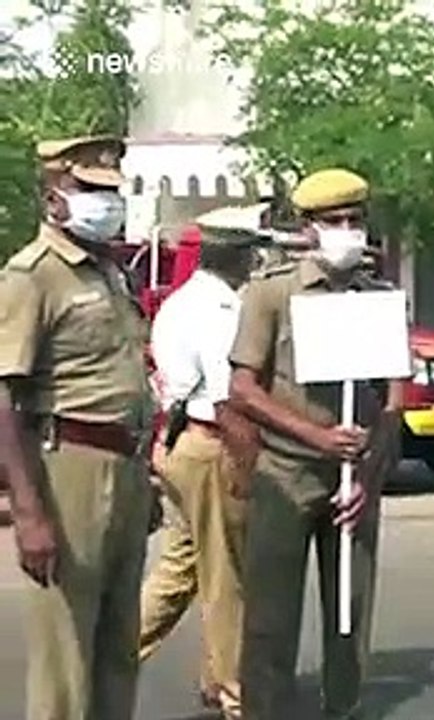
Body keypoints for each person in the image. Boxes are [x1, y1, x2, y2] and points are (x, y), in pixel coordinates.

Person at [228, 168, 406, 718]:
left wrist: (371, 471)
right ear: (308, 228)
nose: (347, 231)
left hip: (354, 479)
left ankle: (344, 708)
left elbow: (394, 394)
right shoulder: (272, 293)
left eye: (355, 220)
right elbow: (242, 388)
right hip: (285, 474)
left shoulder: (378, 297)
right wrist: (316, 436)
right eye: (334, 221)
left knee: (350, 618)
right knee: (270, 622)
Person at [0, 135, 153, 718]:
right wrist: (30, 511)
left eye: (112, 191)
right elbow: (6, 396)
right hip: (69, 465)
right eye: (90, 190)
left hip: (126, 465)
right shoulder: (31, 276)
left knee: (118, 647)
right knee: (65, 658)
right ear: (53, 198)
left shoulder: (109, 273)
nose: (106, 203)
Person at [138, 208, 268, 719]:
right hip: (212, 443)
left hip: (177, 442)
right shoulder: (220, 309)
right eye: (252, 252)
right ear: (237, 254)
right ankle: (237, 694)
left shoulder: (182, 300)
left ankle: (110, 658)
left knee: (181, 567)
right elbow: (225, 398)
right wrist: (246, 461)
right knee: (228, 578)